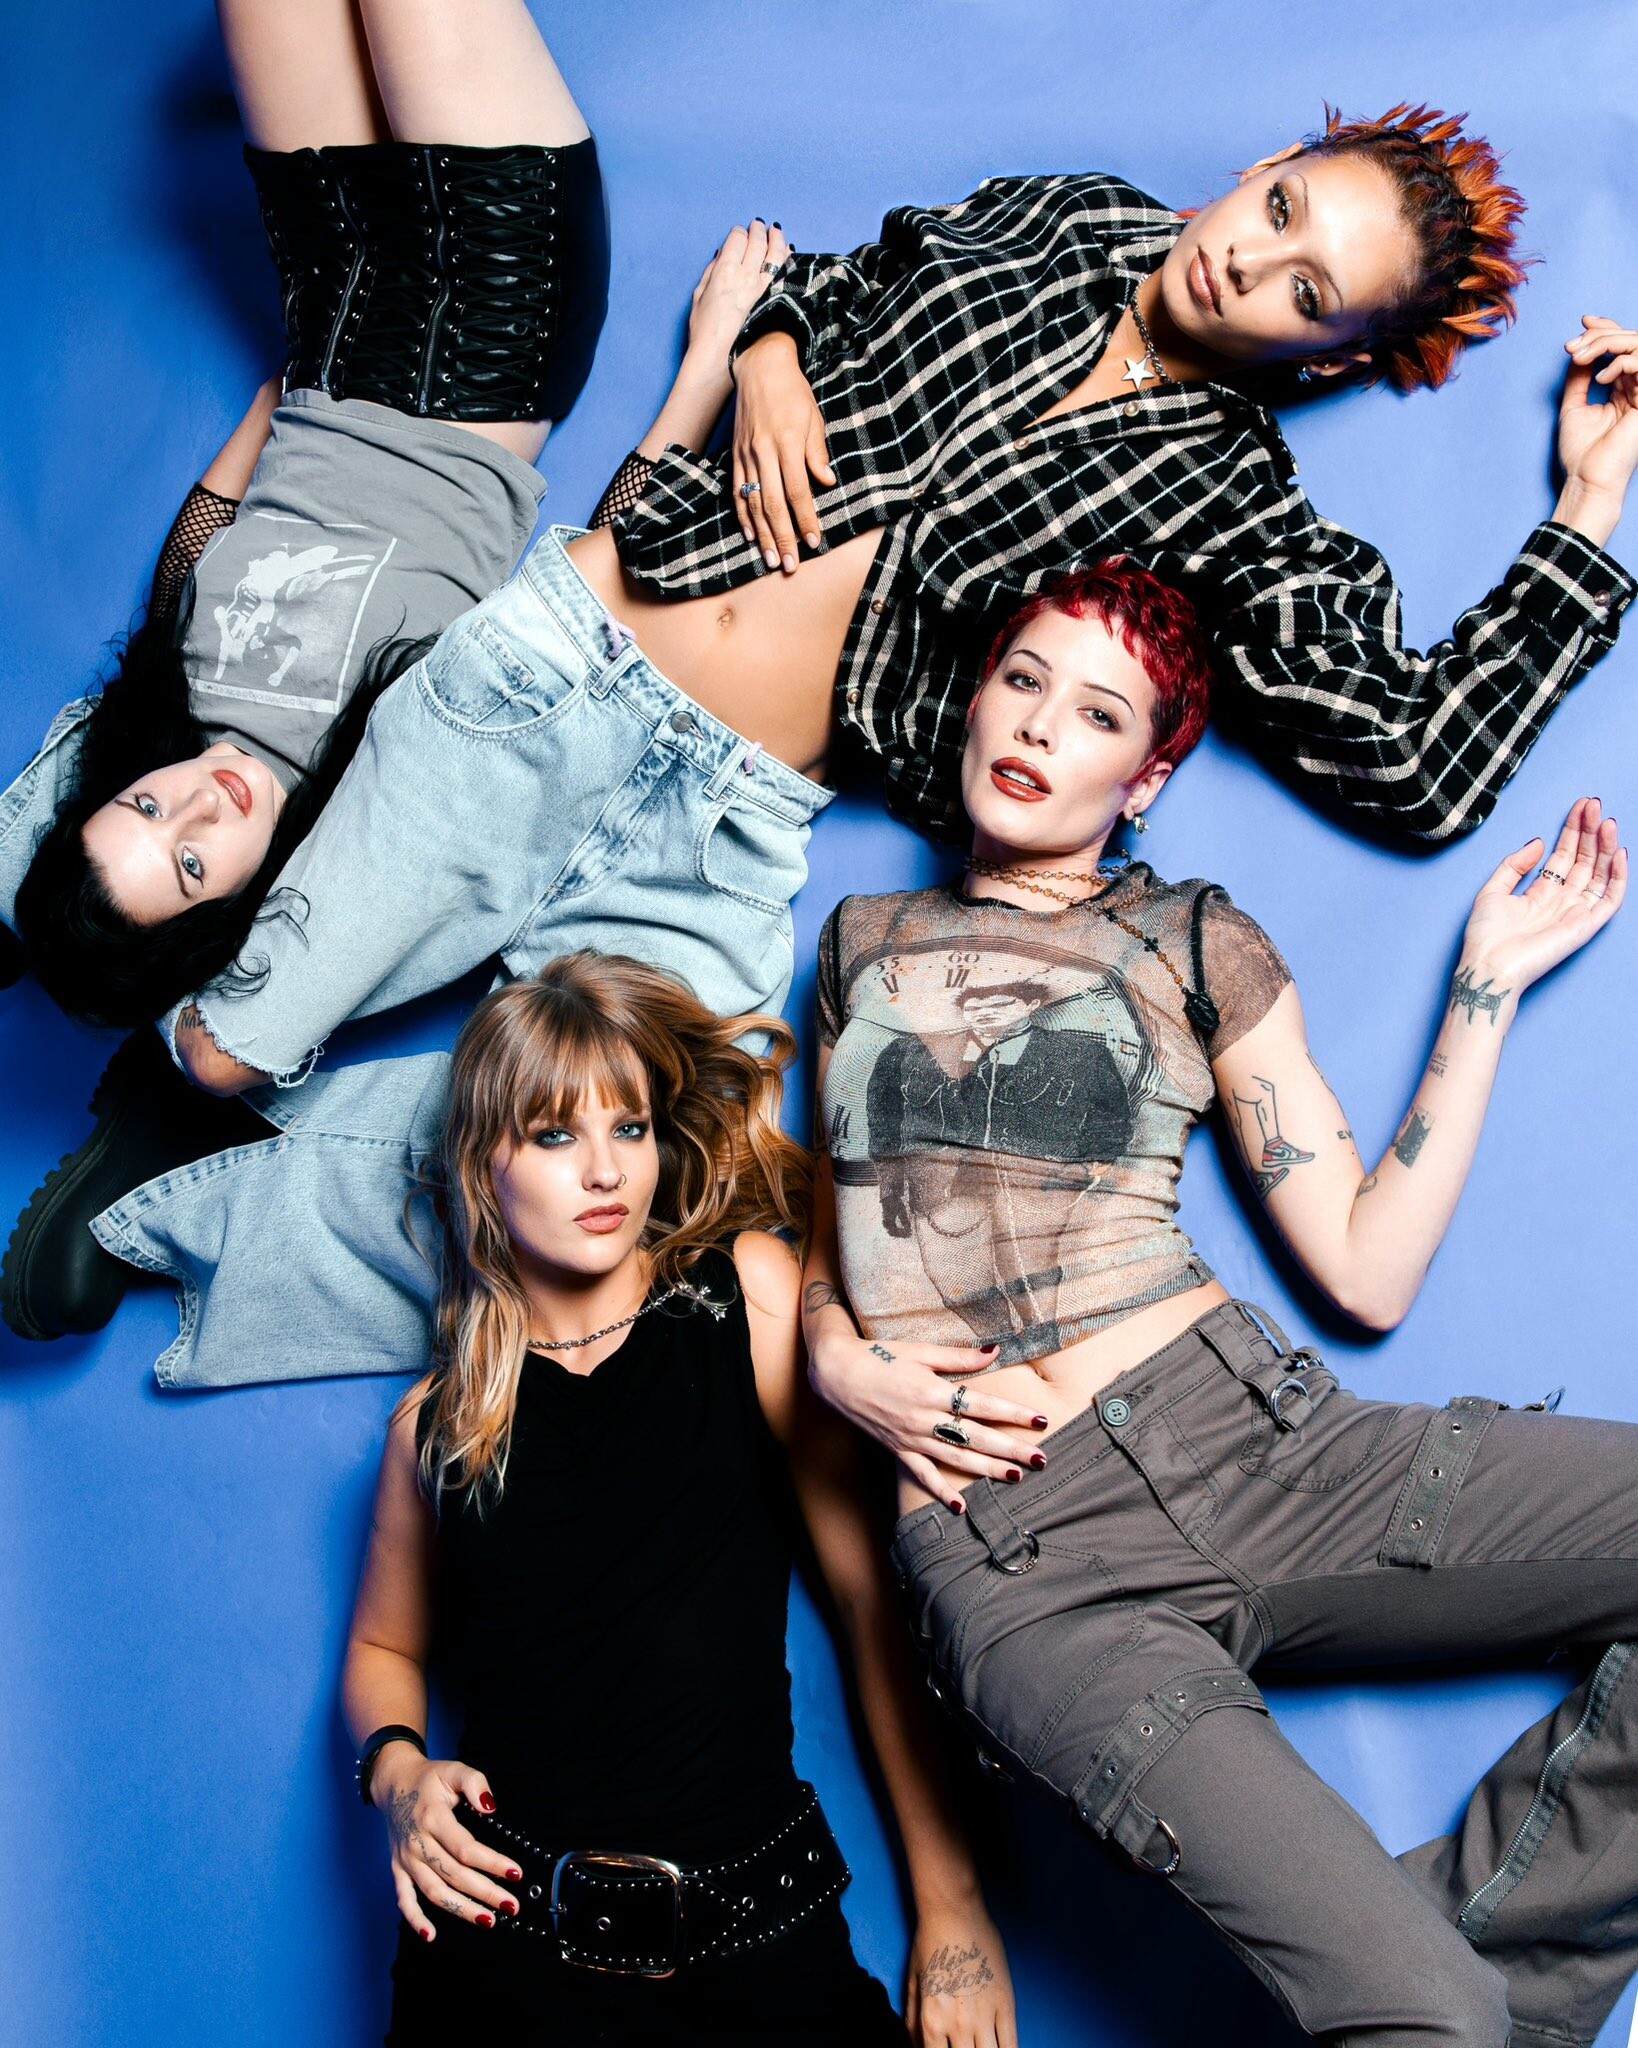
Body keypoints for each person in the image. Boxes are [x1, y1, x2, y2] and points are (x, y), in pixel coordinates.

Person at [800, 560, 1638, 2045]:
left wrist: (1486, 987)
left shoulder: (1196, 939)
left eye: (1098, 713)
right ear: (976, 699)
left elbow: (1366, 1269)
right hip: (1032, 1565)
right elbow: (839, 1218)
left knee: (1452, 2002)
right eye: (1021, 681)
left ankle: (1488, 1963)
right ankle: (1452, 1995)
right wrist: (830, 1357)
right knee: (1431, 2017)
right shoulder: (861, 940)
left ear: (1146, 779)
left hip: (1265, 1445)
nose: (1039, 724)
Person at [0, 0, 801, 1337]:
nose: (199, 802)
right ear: (223, 913)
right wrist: (705, 373)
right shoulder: (381, 784)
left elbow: (198, 547)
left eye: (144, 804)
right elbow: (588, 582)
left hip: (334, 318)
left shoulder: (167, 708)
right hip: (492, 319)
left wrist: (288, 384)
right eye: (192, 862)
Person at [342, 952, 1016, 2047]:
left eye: (631, 1126)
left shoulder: (744, 1297)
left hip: (757, 1938)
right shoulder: (437, 1422)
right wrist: (398, 1774)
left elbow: (871, 1605)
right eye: (554, 1135)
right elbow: (381, 1645)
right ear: (483, 1164)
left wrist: (955, 1912)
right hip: (501, 1955)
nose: (605, 1169)